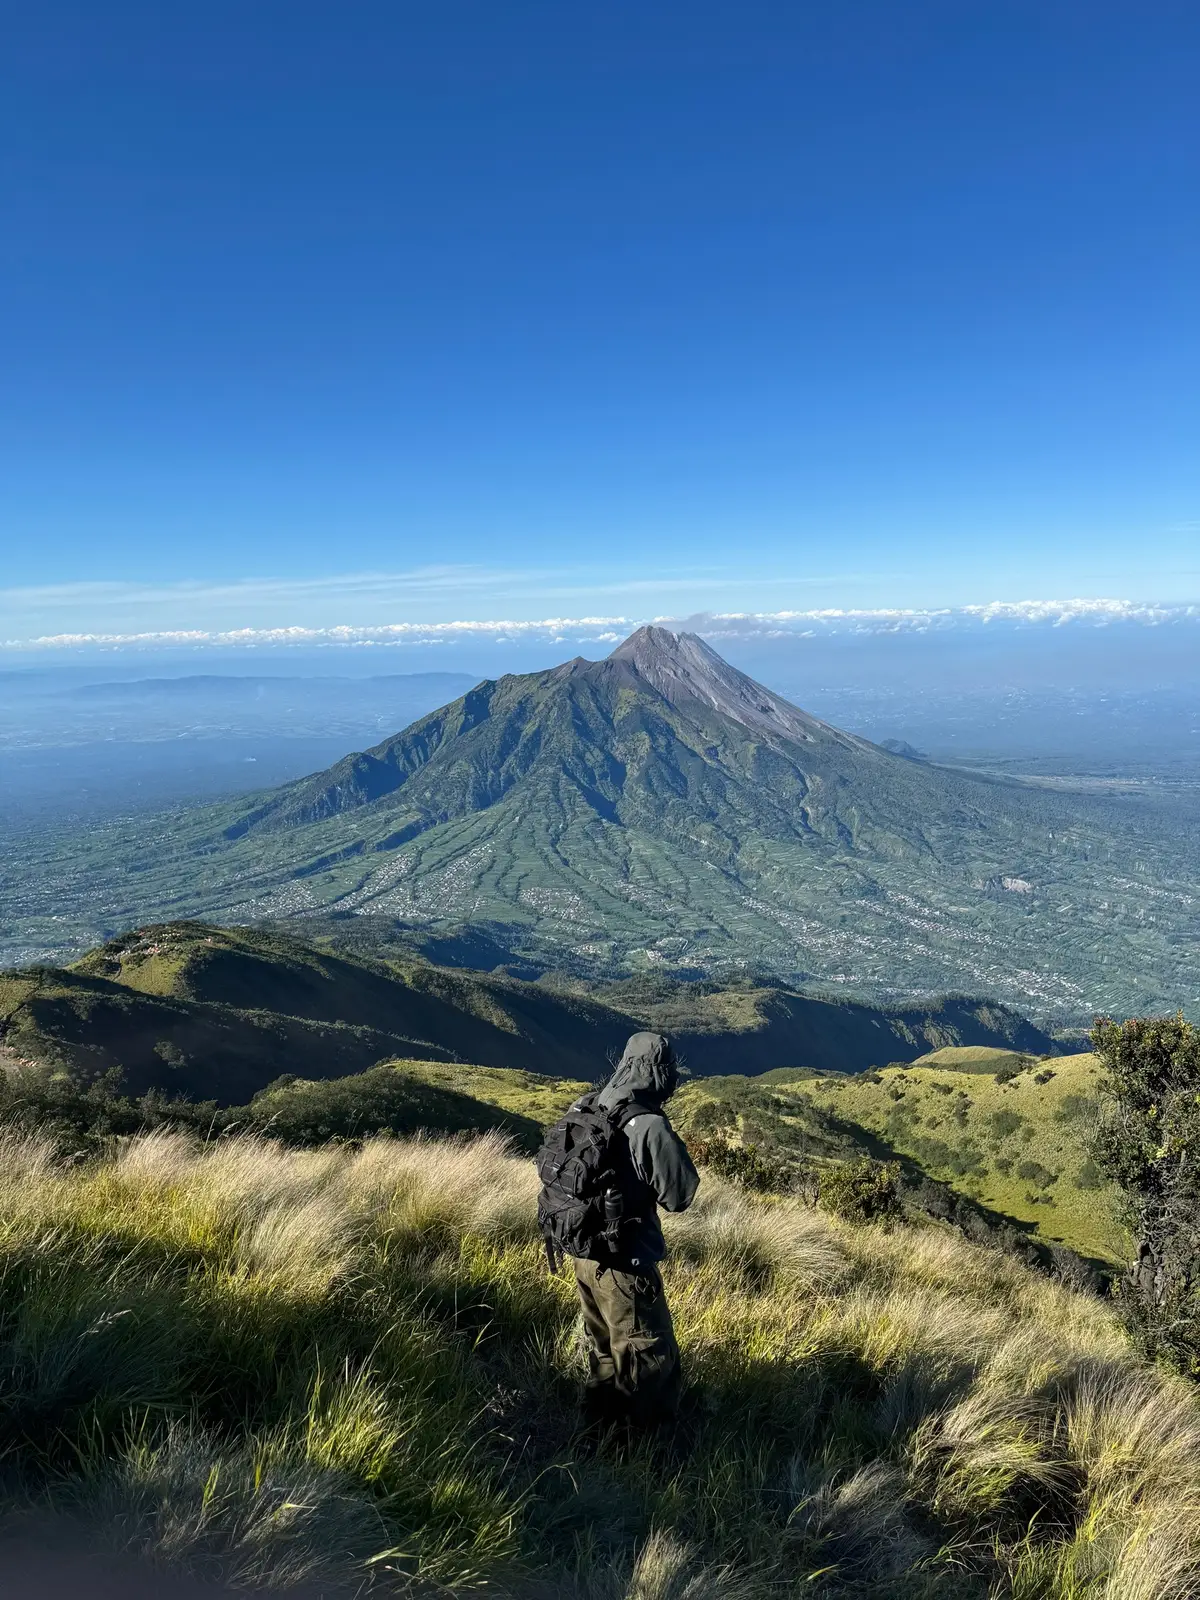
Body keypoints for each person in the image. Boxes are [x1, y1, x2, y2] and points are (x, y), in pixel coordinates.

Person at [570, 1031, 700, 1430]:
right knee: (649, 1361)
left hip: (584, 1254)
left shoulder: (591, 1105)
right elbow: (679, 1195)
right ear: (662, 1075)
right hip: (625, 1264)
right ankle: (648, 1462)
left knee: (606, 1351)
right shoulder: (648, 1125)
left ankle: (596, 1436)